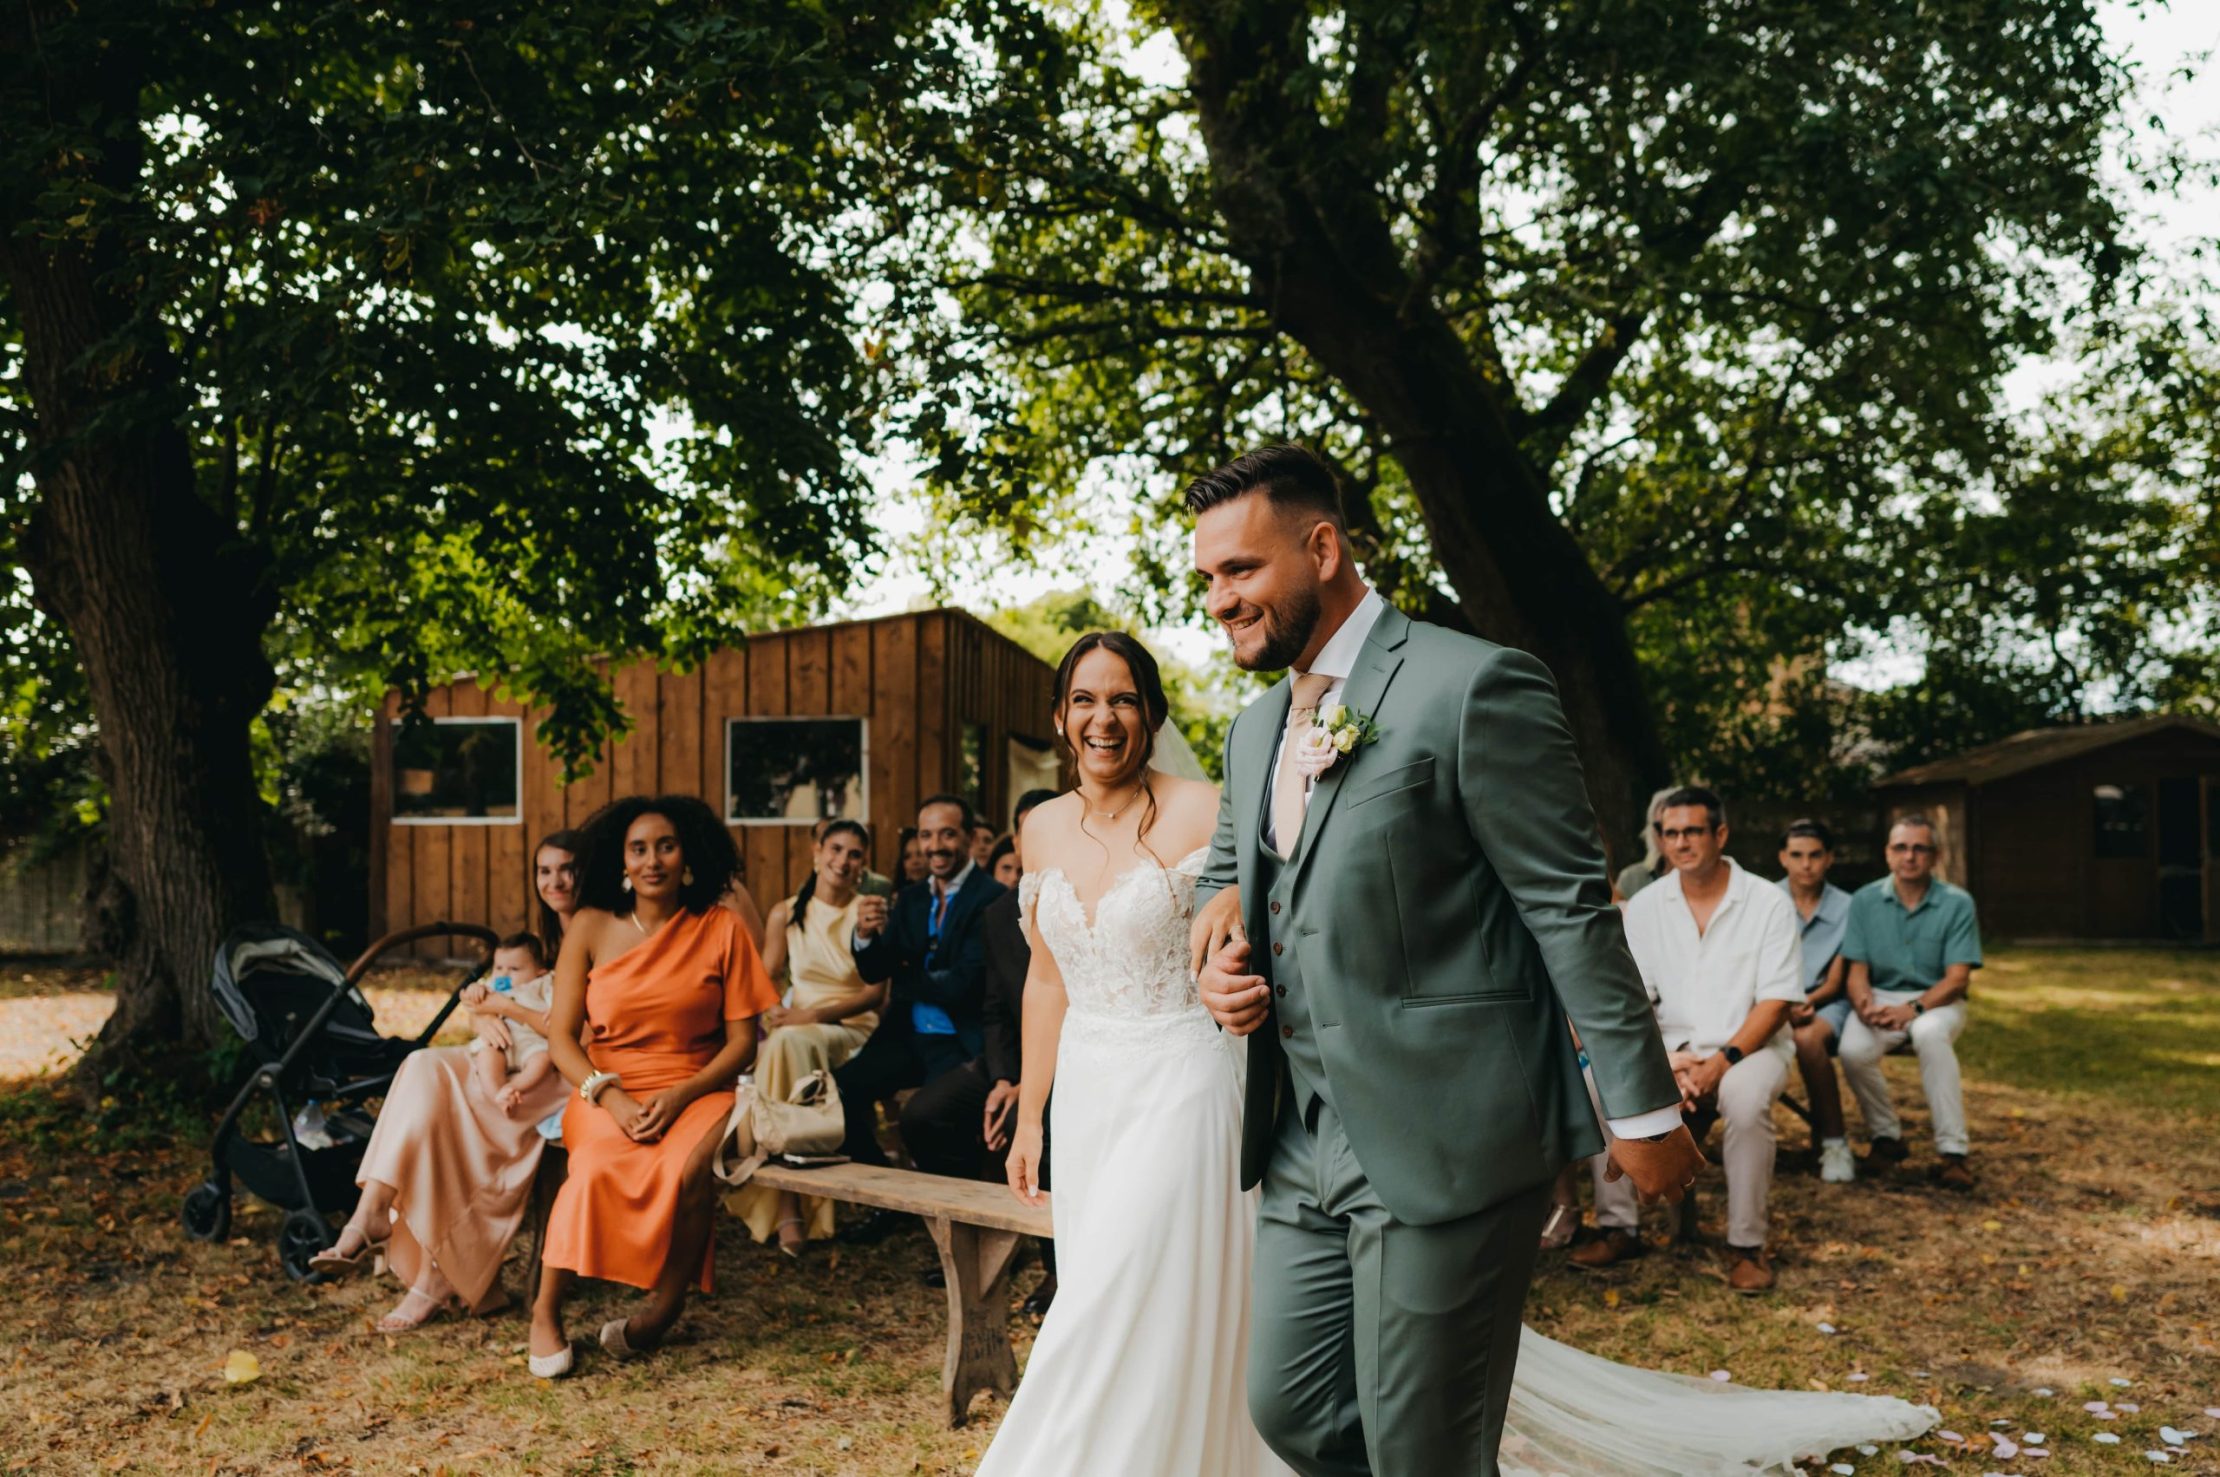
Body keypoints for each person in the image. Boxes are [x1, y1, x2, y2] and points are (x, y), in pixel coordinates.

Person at [981, 596, 1933, 1469]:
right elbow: (1074, 969)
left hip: (1213, 1088)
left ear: (1149, 711)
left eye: (1123, 699)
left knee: (1168, 1306)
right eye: (1082, 700)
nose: (1102, 718)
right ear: (1061, 714)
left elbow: (1559, 904)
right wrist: (1040, 1106)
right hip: (1127, 1095)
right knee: (1167, 1321)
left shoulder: (1392, 716)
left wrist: (1635, 1100)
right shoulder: (1165, 774)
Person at [527, 795, 779, 1379]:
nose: (652, 860)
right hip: (605, 1085)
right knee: (589, 1169)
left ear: (688, 854)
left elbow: (743, 1043)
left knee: (690, 1171)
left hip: (699, 1085)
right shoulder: (589, 925)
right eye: (638, 848)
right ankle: (545, 1309)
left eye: (666, 846)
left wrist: (683, 1095)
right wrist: (610, 1098)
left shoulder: (721, 928)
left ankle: (663, 1309)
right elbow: (562, 1040)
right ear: (620, 858)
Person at [308, 833, 586, 1330]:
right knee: (422, 1066)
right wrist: (485, 1020)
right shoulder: (545, 939)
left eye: (567, 869)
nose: (555, 881)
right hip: (515, 1055)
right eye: (544, 871)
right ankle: (371, 1208)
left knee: (451, 1124)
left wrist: (502, 1008)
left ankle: (436, 1279)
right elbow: (498, 1005)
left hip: (562, 1068)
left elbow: (569, 1025)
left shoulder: (597, 930)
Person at [1575, 787, 1804, 1293]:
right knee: (1597, 1087)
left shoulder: (1768, 901)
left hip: (1748, 1049)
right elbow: (1636, 997)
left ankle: (1746, 1244)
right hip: (1669, 1048)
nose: (1679, 842)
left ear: (1720, 834)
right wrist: (1670, 1061)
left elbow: (1776, 1002)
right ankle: (1619, 1228)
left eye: (1691, 831)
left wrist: (1718, 1064)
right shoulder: (1648, 905)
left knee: (1745, 1102)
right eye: (1669, 832)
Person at [897, 786, 1058, 1296]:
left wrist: (1030, 1085)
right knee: (925, 1116)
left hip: (1075, 1063)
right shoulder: (998, 912)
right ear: (1017, 838)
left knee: (1046, 1136)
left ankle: (1057, 1273)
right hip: (1010, 1063)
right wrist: (1006, 1077)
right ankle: (979, 1239)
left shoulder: (1091, 899)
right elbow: (994, 1008)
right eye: (1030, 833)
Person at [832, 793, 1005, 1243]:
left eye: (947, 834)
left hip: (961, 1040)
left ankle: (959, 1226)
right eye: (926, 835)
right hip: (908, 1034)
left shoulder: (993, 899)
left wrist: (906, 972)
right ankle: (889, 1203)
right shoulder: (908, 898)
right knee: (843, 1090)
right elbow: (875, 968)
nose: (935, 846)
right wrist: (865, 936)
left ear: (967, 838)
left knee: (928, 1120)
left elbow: (963, 985)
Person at [728, 819, 886, 1255]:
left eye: (854, 854)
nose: (842, 861)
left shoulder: (867, 911)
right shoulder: (786, 912)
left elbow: (876, 994)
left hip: (850, 1026)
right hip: (798, 1025)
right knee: (782, 1042)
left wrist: (807, 1015)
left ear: (863, 863)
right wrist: (772, 1011)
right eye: (835, 849)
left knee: (788, 1043)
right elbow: (765, 977)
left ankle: (787, 1201)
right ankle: (789, 1198)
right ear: (816, 852)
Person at [1838, 814, 1982, 1191]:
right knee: (1852, 1049)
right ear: (1888, 854)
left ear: (1935, 856)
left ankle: (1953, 1153)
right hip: (1881, 996)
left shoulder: (1957, 903)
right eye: (1901, 847)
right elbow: (1856, 969)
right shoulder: (1865, 900)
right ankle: (1887, 1137)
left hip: (1937, 1000)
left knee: (1931, 1035)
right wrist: (1863, 1003)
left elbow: (1957, 978)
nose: (1910, 856)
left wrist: (1914, 1009)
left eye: (1920, 848)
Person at [1778, 819, 1857, 1183]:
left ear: (1829, 859)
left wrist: (1806, 1001)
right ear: (1783, 858)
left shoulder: (1849, 907)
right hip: (1772, 999)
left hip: (1827, 1001)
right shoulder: (1764, 899)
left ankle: (1834, 1144)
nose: (1805, 864)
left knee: (1809, 1040)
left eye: (1814, 855)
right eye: (1797, 855)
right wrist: (1781, 1002)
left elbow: (1839, 977)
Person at [466, 935, 556, 1114]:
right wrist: (475, 990)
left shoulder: (543, 983)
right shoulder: (492, 987)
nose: (504, 974)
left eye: (514, 969)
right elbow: (471, 1000)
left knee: (544, 1060)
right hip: (499, 1042)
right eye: (498, 967)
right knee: (487, 1058)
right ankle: (497, 1095)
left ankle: (514, 1087)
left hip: (533, 1042)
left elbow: (557, 1003)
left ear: (540, 971)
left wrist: (555, 1008)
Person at [1613, 787, 1677, 902]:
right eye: (1659, 827)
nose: (1665, 834)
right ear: (1651, 831)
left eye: (1674, 828)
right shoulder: (1632, 879)